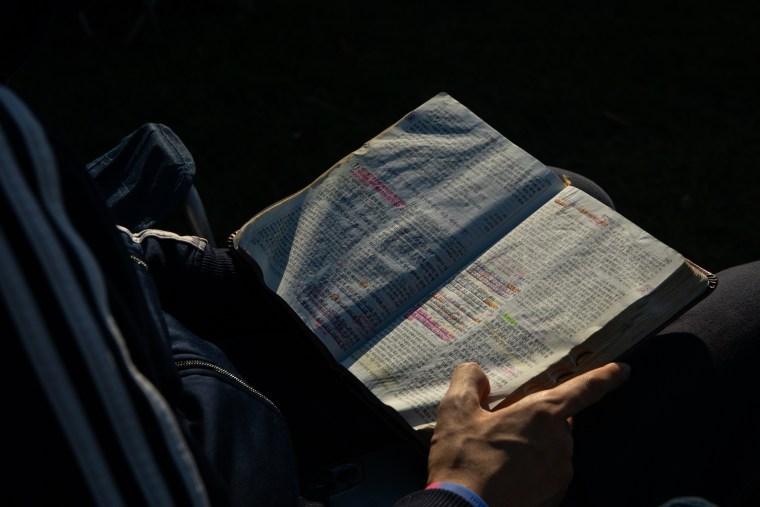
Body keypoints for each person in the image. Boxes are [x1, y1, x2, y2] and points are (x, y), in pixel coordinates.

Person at [1, 78, 758, 507]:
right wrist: (468, 492)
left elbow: (112, 267)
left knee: (566, 199)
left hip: (235, 392)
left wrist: (255, 270)